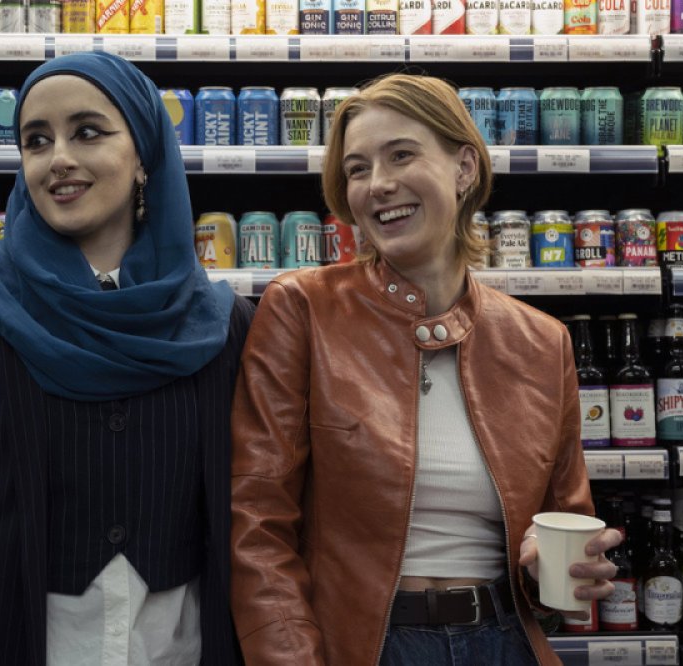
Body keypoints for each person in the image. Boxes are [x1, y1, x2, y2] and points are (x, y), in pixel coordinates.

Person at [0, 51, 253, 665]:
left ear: (144, 154)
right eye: (36, 140)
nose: (58, 157)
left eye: (87, 132)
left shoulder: (220, 324)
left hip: (171, 647)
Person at [229, 73, 621, 666]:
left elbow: (565, 526)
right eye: (357, 169)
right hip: (365, 646)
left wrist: (558, 568)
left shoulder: (543, 343)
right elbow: (257, 524)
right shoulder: (303, 309)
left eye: (402, 155)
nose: (378, 185)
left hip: (505, 642)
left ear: (464, 167)